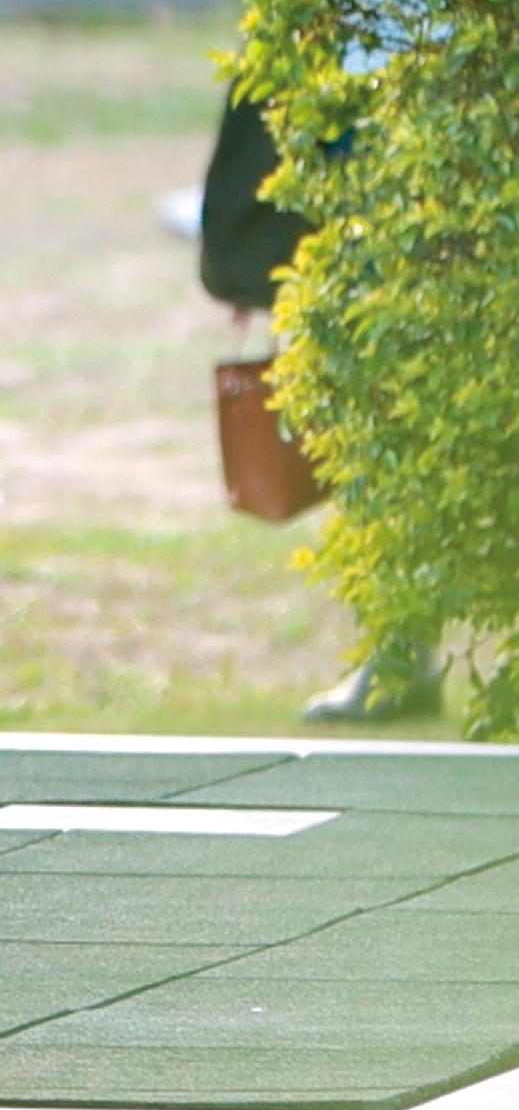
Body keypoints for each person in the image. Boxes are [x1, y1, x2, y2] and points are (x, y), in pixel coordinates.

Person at [196, 87, 441, 723]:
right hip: (361, 200)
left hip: (445, 145)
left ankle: (404, 656)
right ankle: (398, 653)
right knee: (374, 434)